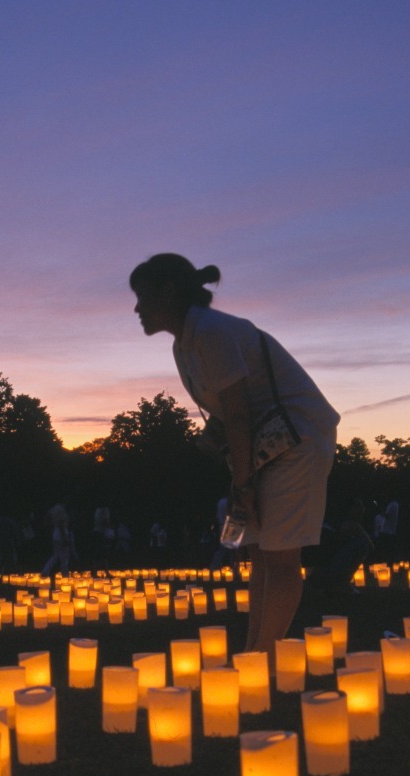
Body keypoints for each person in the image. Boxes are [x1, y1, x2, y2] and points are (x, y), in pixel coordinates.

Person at [130, 253, 340, 661]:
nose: (136, 308)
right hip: (264, 447)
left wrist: (243, 484)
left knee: (280, 555)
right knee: (259, 552)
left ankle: (262, 660)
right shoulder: (184, 345)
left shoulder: (211, 332)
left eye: (141, 295)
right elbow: (229, 417)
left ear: (168, 291)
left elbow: (240, 412)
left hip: (298, 440)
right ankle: (254, 654)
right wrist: (237, 474)